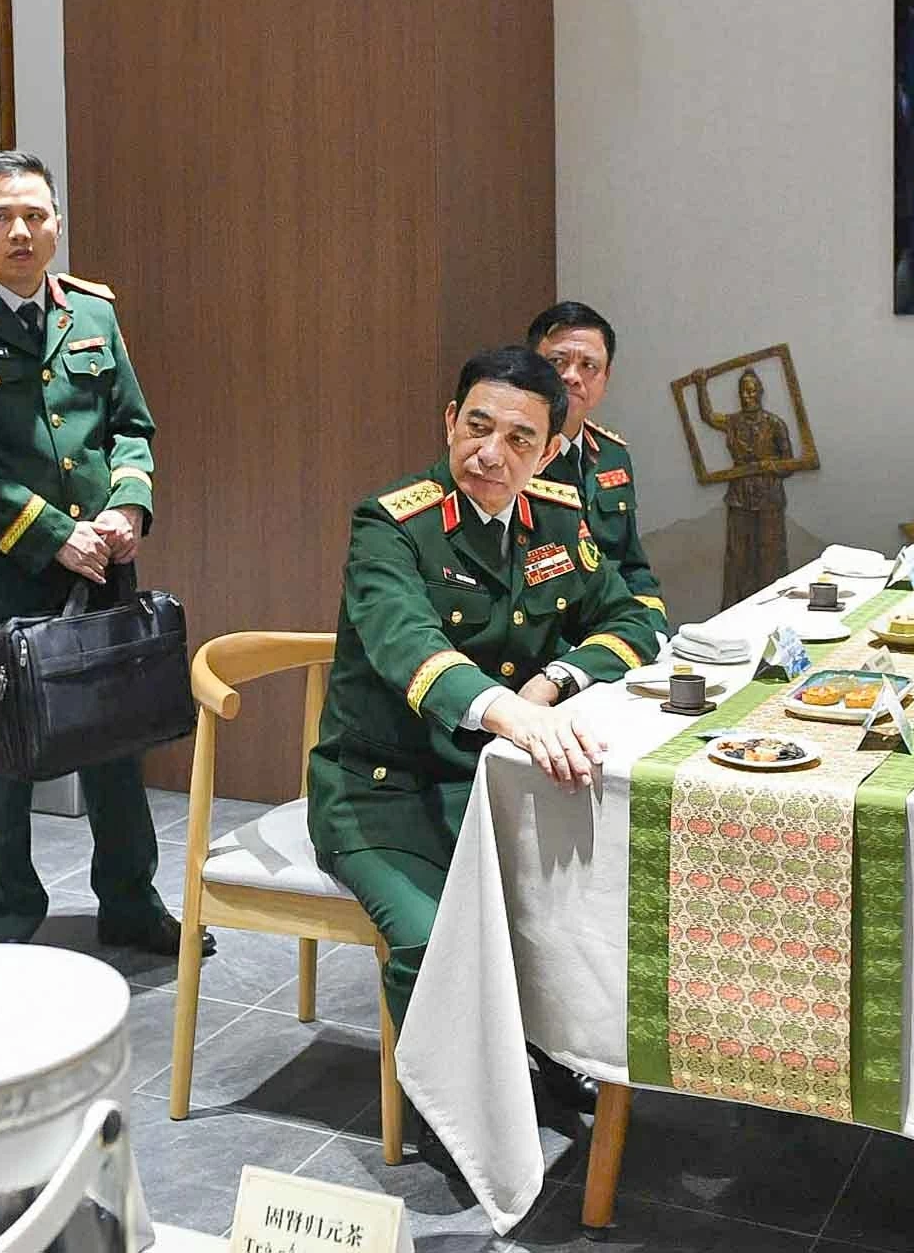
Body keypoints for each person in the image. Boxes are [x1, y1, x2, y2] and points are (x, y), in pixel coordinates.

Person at [0, 150, 199, 955]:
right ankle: (5, 916)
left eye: (34, 214)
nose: (19, 231)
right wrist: (51, 533)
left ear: (57, 225)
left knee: (115, 733)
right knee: (6, 743)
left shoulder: (93, 313)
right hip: (9, 573)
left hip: (107, 562)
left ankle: (132, 901)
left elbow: (130, 426)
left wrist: (128, 504)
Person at [308, 345, 658, 1031]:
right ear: (449, 420)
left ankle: (552, 1063)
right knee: (437, 941)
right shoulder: (391, 523)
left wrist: (554, 680)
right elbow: (409, 642)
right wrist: (517, 718)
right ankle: (454, 1128)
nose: (490, 453)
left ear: (551, 450)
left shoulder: (556, 516)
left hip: (492, 786)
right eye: (477, 426)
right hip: (383, 793)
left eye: (519, 438)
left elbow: (635, 616)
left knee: (586, 914)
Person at [529, 302, 668, 650]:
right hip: (546, 647)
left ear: (605, 379)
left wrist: (654, 631)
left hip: (620, 633)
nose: (571, 376)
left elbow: (632, 564)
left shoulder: (611, 454)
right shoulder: (511, 460)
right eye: (556, 362)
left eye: (588, 366)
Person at [694, 367, 795, 603]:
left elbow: (790, 465)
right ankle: (735, 608)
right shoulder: (733, 422)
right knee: (738, 558)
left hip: (769, 498)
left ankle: (773, 608)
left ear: (760, 392)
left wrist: (773, 466)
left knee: (769, 557)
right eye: (743, 392)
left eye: (751, 391)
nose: (747, 396)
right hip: (740, 497)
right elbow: (708, 416)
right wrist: (701, 386)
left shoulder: (775, 424)